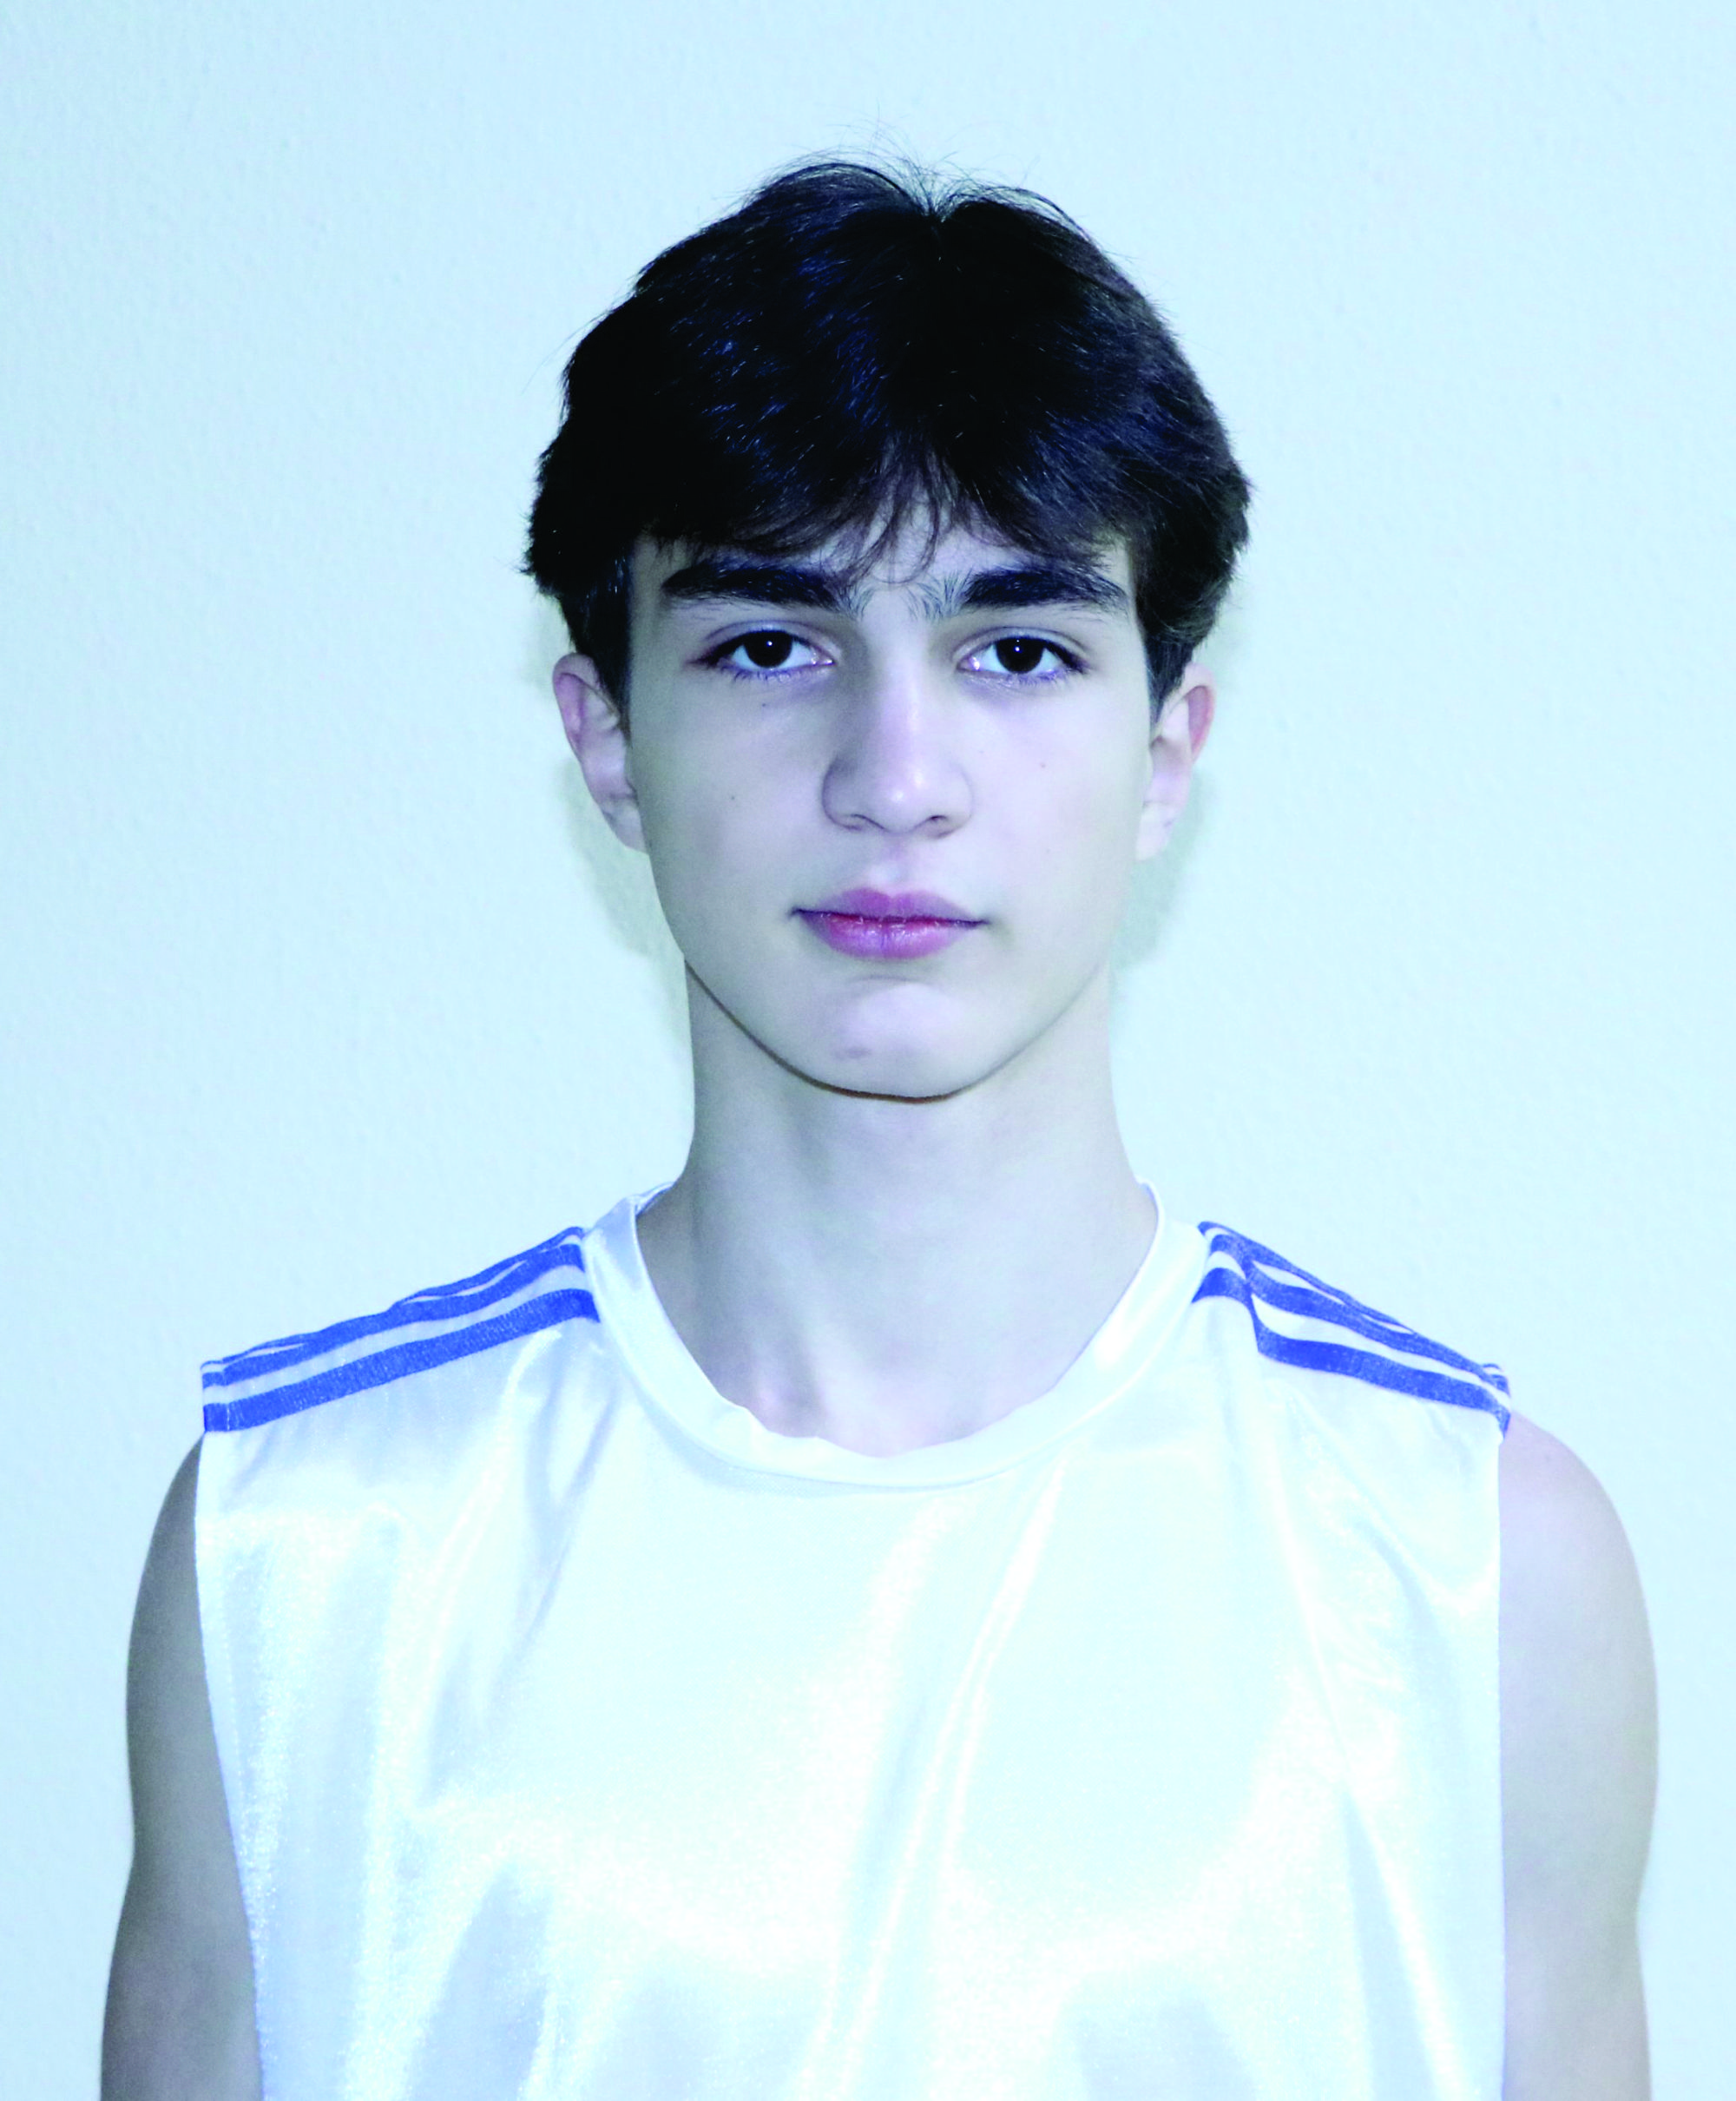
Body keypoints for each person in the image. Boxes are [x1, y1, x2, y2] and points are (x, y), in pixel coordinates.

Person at [102, 159, 1657, 2100]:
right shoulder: (305, 1545)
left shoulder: (1472, 1562)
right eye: (771, 646)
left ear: (1165, 750)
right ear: (606, 735)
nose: (896, 777)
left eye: (1017, 650)